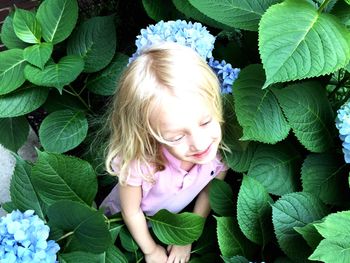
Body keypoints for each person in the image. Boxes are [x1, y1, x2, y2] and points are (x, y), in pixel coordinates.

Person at [100, 42, 228, 263]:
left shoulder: (214, 150)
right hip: (119, 221)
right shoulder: (140, 165)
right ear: (147, 133)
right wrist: (150, 250)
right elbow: (131, 212)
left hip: (167, 222)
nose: (199, 143)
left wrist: (187, 236)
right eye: (177, 137)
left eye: (206, 121)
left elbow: (210, 190)